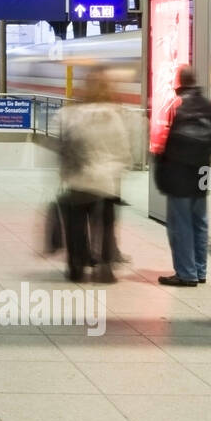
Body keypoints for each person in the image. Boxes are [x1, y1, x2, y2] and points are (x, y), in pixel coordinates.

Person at [55, 70, 132, 282]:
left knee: (76, 225)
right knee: (106, 225)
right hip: (106, 181)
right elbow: (124, 149)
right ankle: (105, 269)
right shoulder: (114, 115)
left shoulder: (71, 114)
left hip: (78, 179)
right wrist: (116, 167)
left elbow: (63, 146)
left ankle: (77, 267)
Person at [154, 66, 211, 286]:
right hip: (203, 170)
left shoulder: (177, 105)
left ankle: (186, 273)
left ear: (179, 82)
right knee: (199, 221)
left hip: (181, 171)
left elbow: (169, 141)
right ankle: (200, 271)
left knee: (180, 223)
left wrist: (162, 167)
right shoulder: (209, 106)